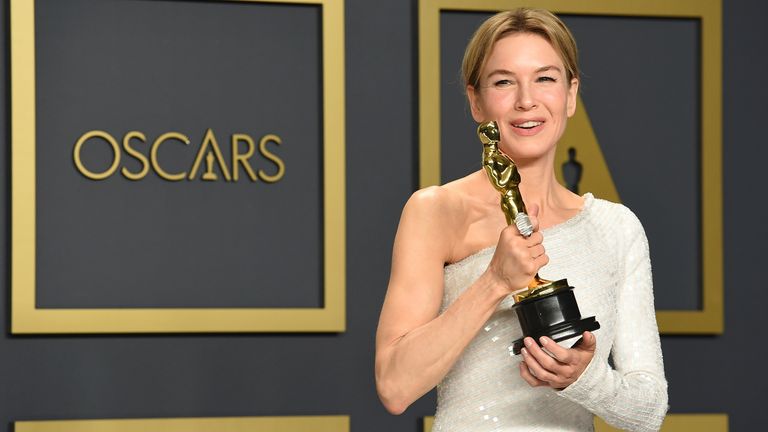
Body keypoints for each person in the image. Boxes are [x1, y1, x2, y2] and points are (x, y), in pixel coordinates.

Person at [374, 8, 668, 432]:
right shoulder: (436, 210)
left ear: (570, 94)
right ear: (477, 101)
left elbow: (648, 411)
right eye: (503, 81)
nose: (526, 100)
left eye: (545, 78)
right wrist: (494, 281)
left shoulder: (615, 227)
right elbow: (394, 386)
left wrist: (584, 379)